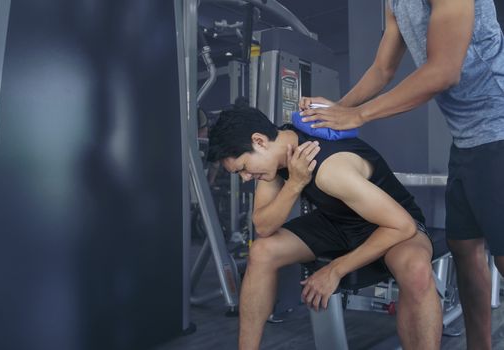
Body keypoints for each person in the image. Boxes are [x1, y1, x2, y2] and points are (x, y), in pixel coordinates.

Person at [298, 1, 504, 348]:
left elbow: (443, 72)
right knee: (465, 251)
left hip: (498, 132)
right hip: (465, 140)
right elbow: (382, 69)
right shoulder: (395, 2)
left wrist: (359, 116)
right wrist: (337, 110)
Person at [207, 106, 442, 350]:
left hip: (388, 223)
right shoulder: (277, 158)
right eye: (239, 173)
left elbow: (401, 225)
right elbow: (264, 227)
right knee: (262, 251)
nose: (245, 177)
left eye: (243, 167)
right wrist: (295, 184)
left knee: (415, 270)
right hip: (337, 222)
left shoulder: (330, 170)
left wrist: (335, 270)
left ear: (259, 141)